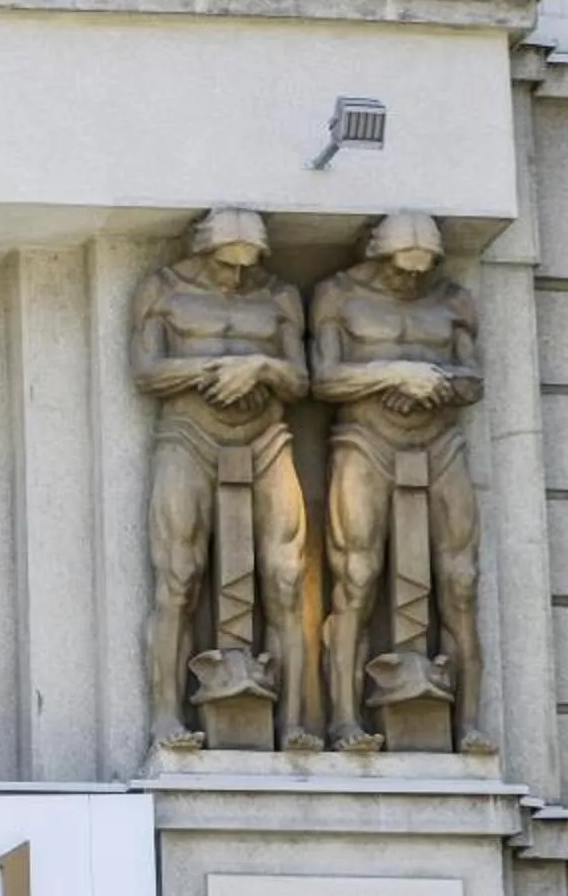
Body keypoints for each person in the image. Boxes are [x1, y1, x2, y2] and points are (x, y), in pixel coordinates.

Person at [130, 207, 314, 750]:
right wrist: (213, 369)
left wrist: (259, 368)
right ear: (202, 250)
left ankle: (296, 721)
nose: (236, 275)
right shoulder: (162, 289)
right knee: (178, 577)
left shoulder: (278, 296)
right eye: (225, 264)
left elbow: (301, 378)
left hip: (265, 436)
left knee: (286, 576)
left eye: (247, 263)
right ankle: (166, 714)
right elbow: (146, 371)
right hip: (189, 435)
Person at [312, 211, 489, 754]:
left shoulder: (454, 301)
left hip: (440, 442)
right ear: (376, 254)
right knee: (357, 577)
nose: (411, 279)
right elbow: (324, 378)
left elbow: (473, 379)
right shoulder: (336, 295)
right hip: (367, 442)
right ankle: (343, 718)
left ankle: (469, 724)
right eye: (399, 269)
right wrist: (394, 373)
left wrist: (439, 383)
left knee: (460, 580)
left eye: (421, 269)